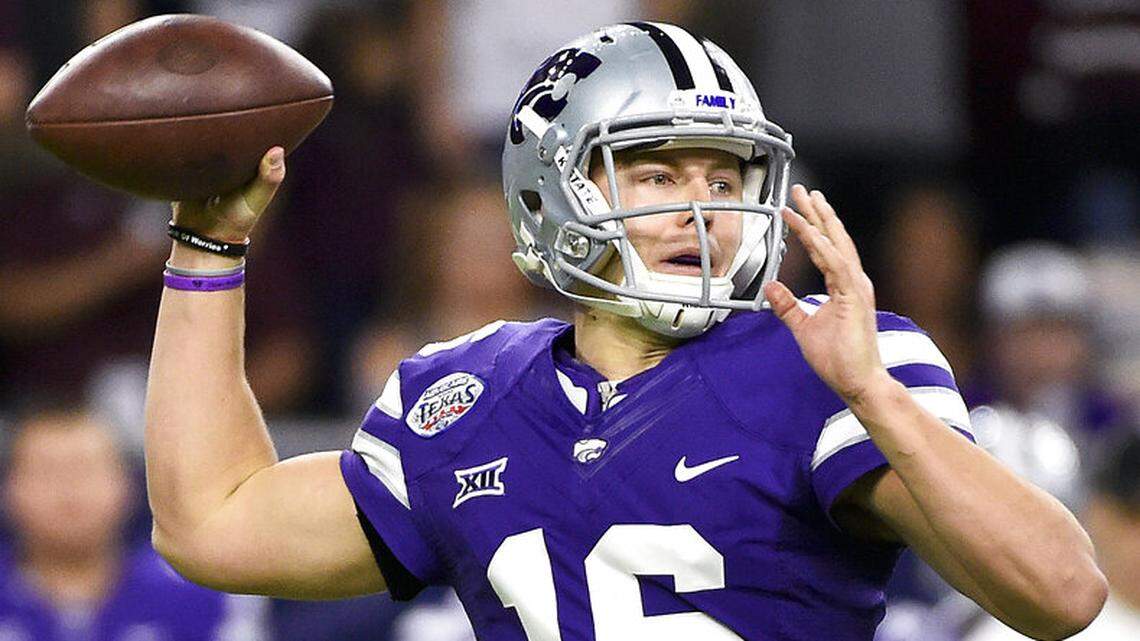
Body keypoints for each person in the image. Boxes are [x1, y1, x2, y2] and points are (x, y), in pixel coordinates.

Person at [144, 23, 1106, 640]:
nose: (703, 211)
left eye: (725, 180)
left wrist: (877, 401)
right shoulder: (464, 397)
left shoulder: (844, 364)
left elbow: (1061, 596)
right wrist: (207, 246)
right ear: (551, 198)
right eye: (657, 175)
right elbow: (211, 525)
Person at [0, 404, 268, 641]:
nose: (69, 488)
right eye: (47, 472)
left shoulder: (202, 591)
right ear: (8, 489)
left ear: (127, 485)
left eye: (85, 469)